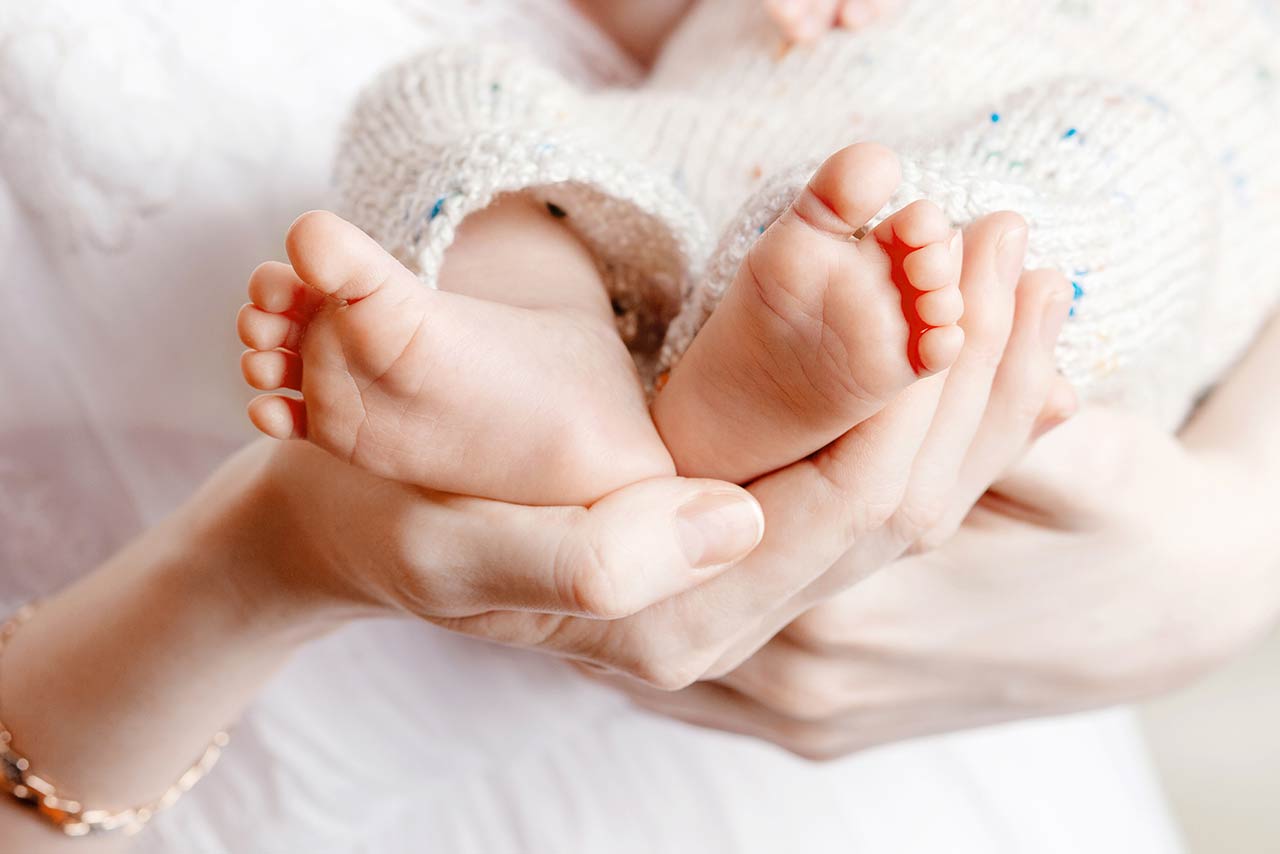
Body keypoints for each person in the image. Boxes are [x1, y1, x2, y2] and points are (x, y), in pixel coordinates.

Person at [0, 2, 1274, 852]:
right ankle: (542, 354)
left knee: (1091, 185)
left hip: (990, 249)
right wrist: (269, 550)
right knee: (445, 96)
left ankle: (812, 342)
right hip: (652, 165)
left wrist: (1245, 527)